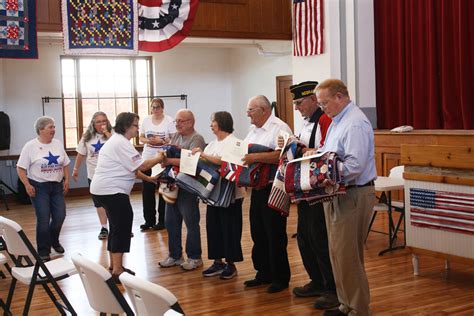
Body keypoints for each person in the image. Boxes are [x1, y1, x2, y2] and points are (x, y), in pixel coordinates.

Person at [315, 79, 377, 316]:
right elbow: (328, 152)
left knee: (349, 256)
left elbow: (355, 165)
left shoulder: (354, 124)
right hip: (337, 192)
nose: (322, 108)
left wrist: (322, 173)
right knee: (338, 254)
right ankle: (346, 304)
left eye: (325, 102)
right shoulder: (337, 121)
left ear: (340, 97)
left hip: (353, 192)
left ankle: (359, 309)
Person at [90, 112, 164, 281]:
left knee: (116, 228)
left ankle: (114, 266)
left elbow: (132, 169)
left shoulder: (117, 141)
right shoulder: (121, 143)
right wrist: (159, 157)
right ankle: (117, 271)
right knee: (121, 227)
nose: (138, 129)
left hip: (104, 190)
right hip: (112, 191)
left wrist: (149, 179)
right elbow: (142, 164)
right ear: (126, 127)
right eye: (136, 126)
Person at [290, 81, 338, 310]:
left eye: (300, 103)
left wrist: (304, 150)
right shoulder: (307, 123)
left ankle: (331, 287)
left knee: (319, 237)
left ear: (312, 100)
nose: (297, 108)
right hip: (304, 187)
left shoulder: (324, 120)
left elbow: (326, 152)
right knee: (304, 236)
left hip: (319, 189)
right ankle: (316, 280)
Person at [242, 95, 292, 293]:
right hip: (257, 188)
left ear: (264, 110)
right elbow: (242, 152)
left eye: (251, 110)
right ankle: (263, 273)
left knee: (275, 234)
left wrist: (254, 156)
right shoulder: (252, 131)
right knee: (258, 232)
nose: (247, 114)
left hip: (274, 187)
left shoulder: (280, 127)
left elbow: (282, 155)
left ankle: (280, 278)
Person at [191, 111, 245, 280]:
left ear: (221, 122)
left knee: (229, 229)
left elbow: (225, 162)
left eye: (213, 121)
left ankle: (231, 264)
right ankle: (217, 261)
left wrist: (203, 155)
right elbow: (206, 162)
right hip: (212, 193)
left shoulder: (236, 142)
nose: (211, 125)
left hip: (231, 194)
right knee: (213, 228)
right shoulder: (212, 144)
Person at [17, 116, 71, 262]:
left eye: (54, 127)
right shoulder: (30, 146)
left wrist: (67, 179)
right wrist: (27, 185)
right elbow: (20, 168)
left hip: (56, 186)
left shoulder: (58, 144)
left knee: (60, 216)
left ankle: (54, 240)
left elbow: (65, 163)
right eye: (50, 127)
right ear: (41, 130)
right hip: (39, 187)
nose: (54, 130)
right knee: (43, 218)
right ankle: (43, 250)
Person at [158, 109, 206, 271]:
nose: (177, 124)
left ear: (190, 122)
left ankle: (195, 257)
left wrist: (170, 159)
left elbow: (193, 161)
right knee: (170, 221)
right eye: (176, 121)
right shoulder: (177, 135)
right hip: (171, 182)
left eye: (180, 121)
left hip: (187, 186)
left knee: (191, 222)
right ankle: (175, 255)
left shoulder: (196, 138)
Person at [72, 111, 112, 240]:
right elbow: (81, 154)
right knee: (99, 203)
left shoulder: (113, 135)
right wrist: (75, 169)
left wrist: (106, 133)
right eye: (98, 121)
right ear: (93, 124)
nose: (101, 124)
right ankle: (104, 227)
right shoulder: (87, 137)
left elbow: (118, 146)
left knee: (113, 202)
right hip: (94, 175)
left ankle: (117, 227)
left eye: (104, 121)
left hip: (111, 174)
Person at [139, 98, 176, 231]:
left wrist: (164, 140)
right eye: (153, 107)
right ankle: (148, 220)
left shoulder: (169, 120)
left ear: (162, 108)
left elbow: (174, 138)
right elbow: (141, 138)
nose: (155, 109)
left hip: (163, 159)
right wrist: (148, 141)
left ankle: (162, 220)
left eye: (158, 107)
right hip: (148, 158)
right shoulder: (146, 120)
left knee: (163, 190)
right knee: (147, 191)